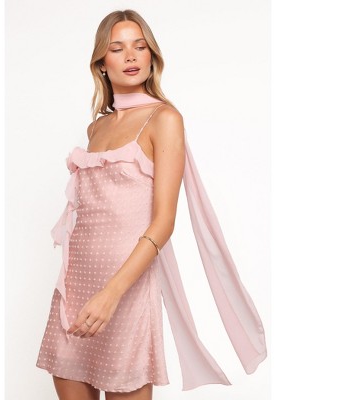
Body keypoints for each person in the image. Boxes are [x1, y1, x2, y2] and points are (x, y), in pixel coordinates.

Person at [36, 9, 267, 400]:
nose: (130, 56)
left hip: (124, 292)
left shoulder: (164, 118)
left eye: (140, 46)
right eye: (117, 48)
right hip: (74, 288)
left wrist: (111, 295)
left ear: (151, 56)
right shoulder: (97, 127)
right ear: (101, 63)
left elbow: (163, 222)